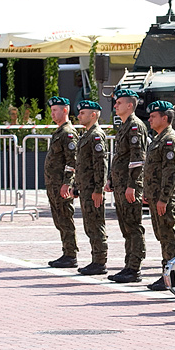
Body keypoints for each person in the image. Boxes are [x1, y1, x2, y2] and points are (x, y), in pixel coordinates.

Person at [107, 88, 148, 283]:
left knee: (133, 226)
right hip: (121, 184)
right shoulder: (124, 126)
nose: (115, 105)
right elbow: (119, 157)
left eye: (119, 103)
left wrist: (133, 185)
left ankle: (134, 267)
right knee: (126, 226)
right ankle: (128, 264)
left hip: (129, 186)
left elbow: (137, 158)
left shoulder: (135, 126)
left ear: (130, 105)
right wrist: (111, 179)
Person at [142, 101, 175, 291]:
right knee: (162, 236)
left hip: (163, 198)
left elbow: (171, 172)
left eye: (153, 116)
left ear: (164, 118)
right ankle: (167, 274)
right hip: (155, 196)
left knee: (168, 237)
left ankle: (173, 276)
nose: (149, 119)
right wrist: (148, 193)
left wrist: (164, 198)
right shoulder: (159, 138)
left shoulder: (169, 139)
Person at [75, 100, 109, 276]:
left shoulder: (96, 135)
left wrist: (98, 189)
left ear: (93, 115)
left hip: (92, 189)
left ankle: (100, 261)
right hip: (85, 188)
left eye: (83, 113)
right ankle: (95, 259)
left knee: (96, 224)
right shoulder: (86, 134)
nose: (79, 116)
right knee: (90, 224)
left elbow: (100, 164)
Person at [44, 96, 79, 268]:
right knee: (59, 219)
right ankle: (66, 252)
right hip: (54, 184)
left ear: (65, 110)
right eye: (51, 110)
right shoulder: (59, 132)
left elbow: (72, 160)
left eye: (55, 110)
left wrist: (68, 183)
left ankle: (70, 254)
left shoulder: (68, 133)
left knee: (65, 218)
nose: (52, 113)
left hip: (61, 185)